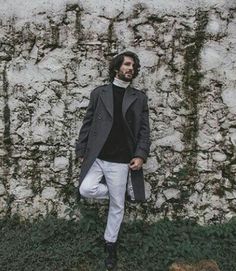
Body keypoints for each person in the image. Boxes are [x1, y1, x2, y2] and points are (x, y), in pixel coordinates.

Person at [75, 51, 150, 270]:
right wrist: (81, 150)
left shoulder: (139, 98)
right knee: (85, 189)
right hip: (97, 156)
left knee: (117, 207)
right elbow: (87, 122)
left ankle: (110, 245)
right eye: (127, 64)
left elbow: (144, 130)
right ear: (117, 67)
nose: (131, 69)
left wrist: (140, 155)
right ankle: (117, 191)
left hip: (120, 161)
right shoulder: (99, 93)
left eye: (134, 66)